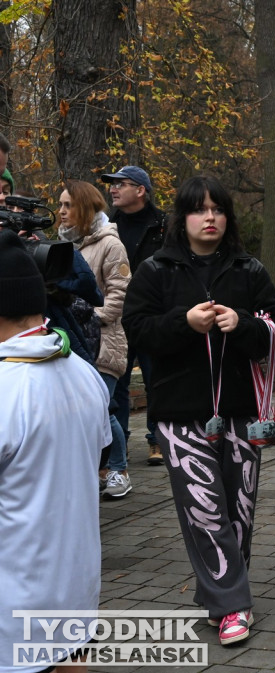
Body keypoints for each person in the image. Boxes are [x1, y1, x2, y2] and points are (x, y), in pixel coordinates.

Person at [122, 175, 275, 645]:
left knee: (239, 508)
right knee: (203, 509)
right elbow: (138, 330)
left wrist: (246, 323)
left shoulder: (249, 270)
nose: (209, 217)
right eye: (199, 209)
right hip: (179, 413)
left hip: (240, 412)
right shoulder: (156, 269)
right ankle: (234, 604)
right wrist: (185, 322)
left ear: (227, 217)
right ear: (183, 217)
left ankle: (219, 592)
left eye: (217, 209)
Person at [0, 229, 111, 673]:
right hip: (74, 585)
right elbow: (99, 460)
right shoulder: (83, 371)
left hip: (16, 599)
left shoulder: (7, 387)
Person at [58, 180, 133, 499]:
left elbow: (119, 295)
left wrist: (87, 315)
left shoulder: (110, 244)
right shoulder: (66, 243)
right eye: (60, 205)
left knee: (102, 408)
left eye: (68, 205)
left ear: (85, 208)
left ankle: (119, 469)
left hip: (104, 342)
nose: (61, 212)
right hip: (74, 340)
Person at [100, 165, 167, 466]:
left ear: (141, 190)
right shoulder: (107, 227)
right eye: (112, 184)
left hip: (152, 317)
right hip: (117, 319)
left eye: (121, 184)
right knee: (118, 385)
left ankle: (158, 440)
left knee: (156, 381)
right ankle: (118, 444)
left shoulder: (164, 225)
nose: (113, 189)